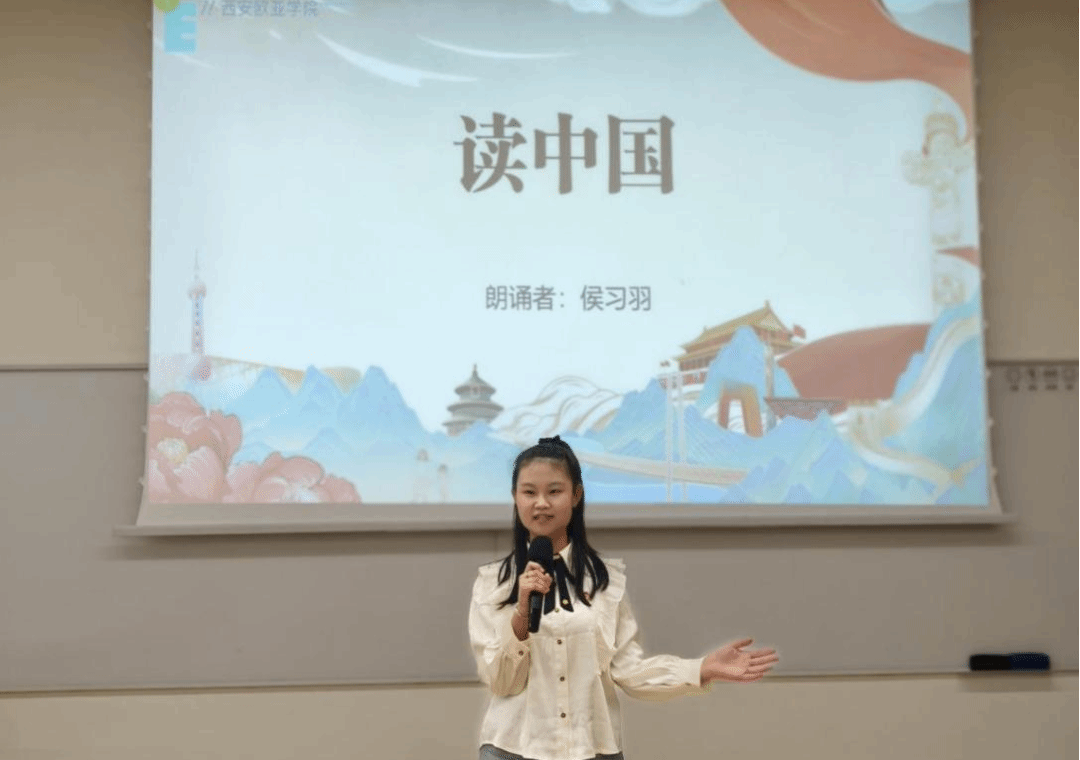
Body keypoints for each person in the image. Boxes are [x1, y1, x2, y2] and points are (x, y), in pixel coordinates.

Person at [468, 436, 778, 760]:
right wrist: (521, 613)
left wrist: (701, 668)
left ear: (576, 495)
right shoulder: (494, 583)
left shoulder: (605, 581)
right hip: (513, 750)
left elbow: (628, 670)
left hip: (591, 750)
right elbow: (501, 681)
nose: (541, 503)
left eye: (554, 491)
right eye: (529, 492)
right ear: (515, 497)